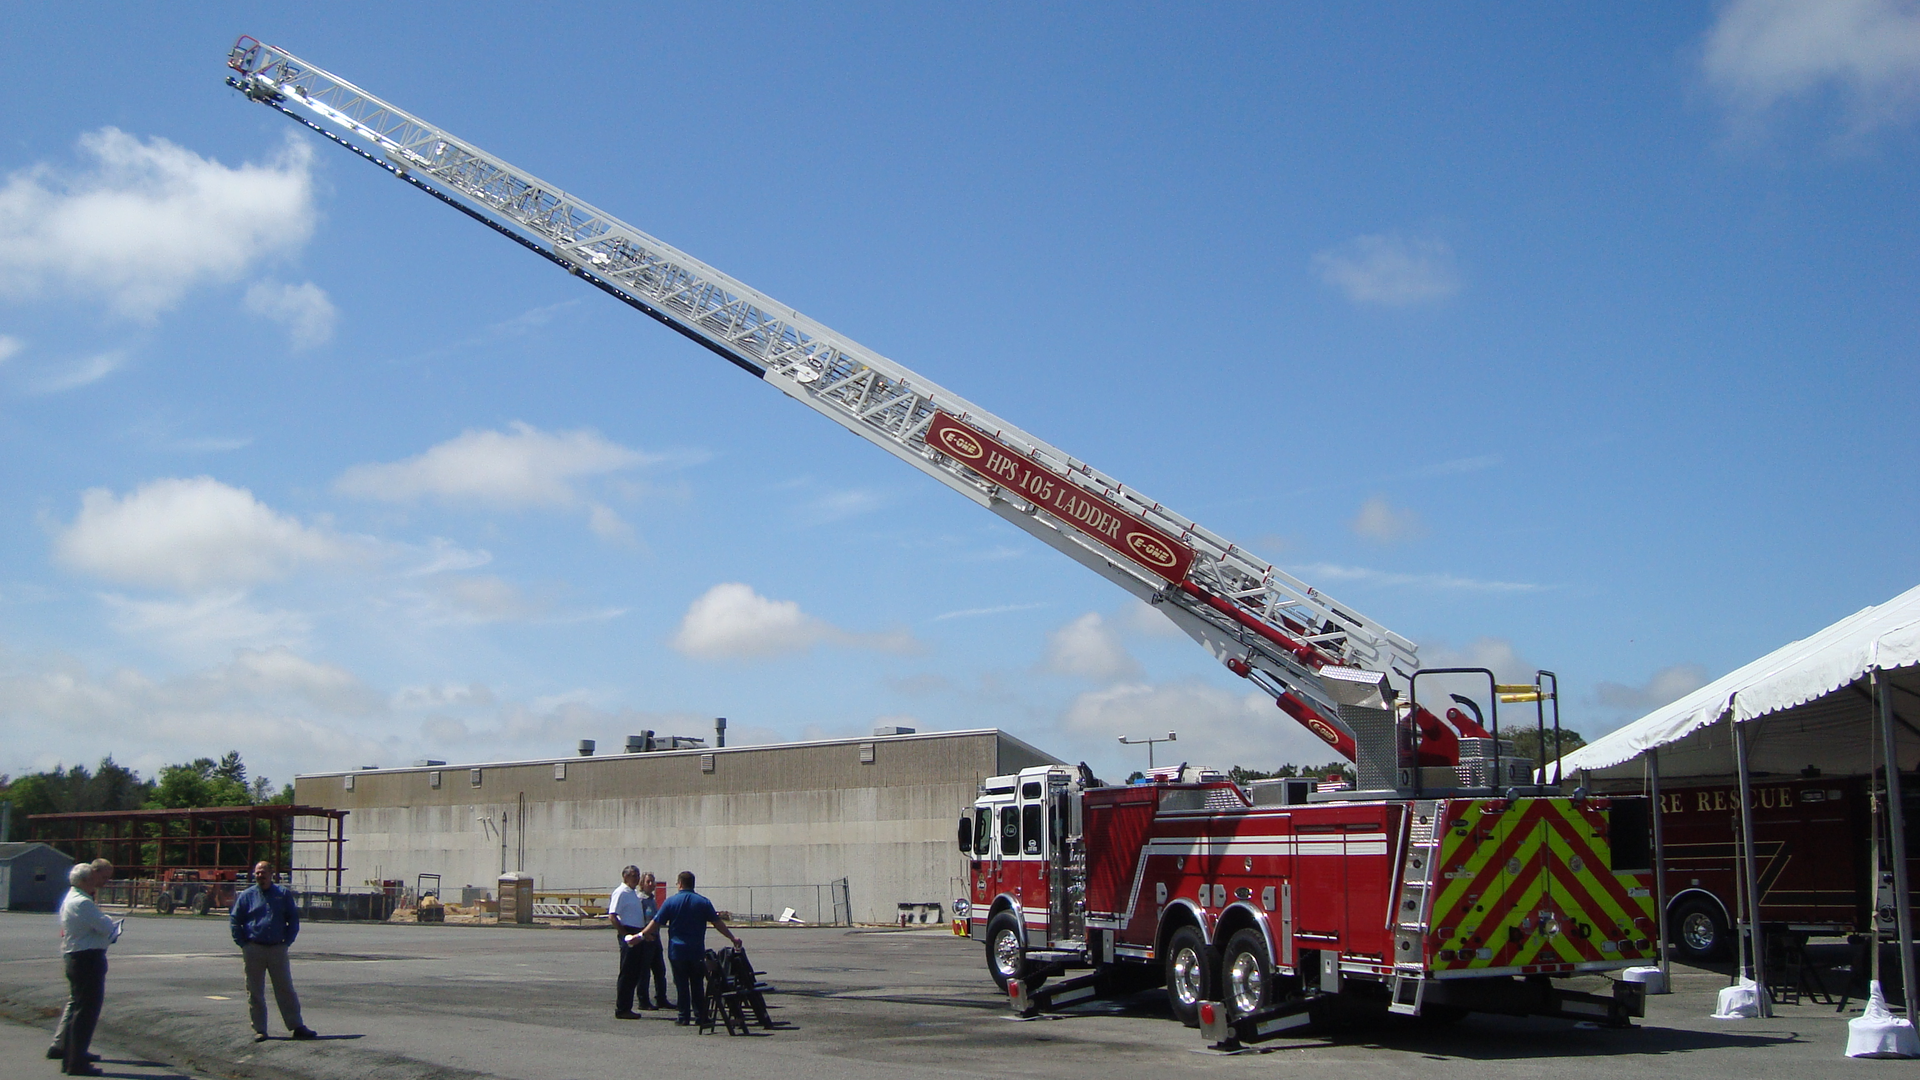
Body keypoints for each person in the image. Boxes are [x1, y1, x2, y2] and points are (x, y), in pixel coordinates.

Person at [637, 871, 739, 1028]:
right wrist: (732, 938)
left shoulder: (671, 902)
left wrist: (641, 935)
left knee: (681, 984)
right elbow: (717, 923)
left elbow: (656, 922)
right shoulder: (703, 902)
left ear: (679, 884)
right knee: (697, 984)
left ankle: (683, 1016)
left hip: (677, 950)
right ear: (693, 883)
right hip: (696, 949)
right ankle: (700, 1015)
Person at [229, 861, 316, 1042]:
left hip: (277, 948)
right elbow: (235, 920)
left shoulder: (282, 894)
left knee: (285, 988)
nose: (260, 876)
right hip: (254, 948)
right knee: (255, 990)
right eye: (257, 873)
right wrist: (243, 944)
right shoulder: (247, 896)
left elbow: (292, 919)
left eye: (263, 872)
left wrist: (287, 942)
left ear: (271, 874)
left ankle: (296, 1026)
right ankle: (260, 1029)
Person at [50, 860, 120, 1075]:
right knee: (86, 1012)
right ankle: (76, 1061)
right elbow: (105, 926)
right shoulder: (82, 902)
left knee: (79, 1009)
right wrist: (109, 922)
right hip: (86, 958)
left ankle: (72, 1055)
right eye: (94, 879)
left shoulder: (75, 899)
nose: (97, 884)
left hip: (79, 957)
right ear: (84, 881)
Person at [608, 865, 648, 1018]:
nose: (636, 878)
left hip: (637, 931)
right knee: (627, 971)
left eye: (637, 875)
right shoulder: (621, 892)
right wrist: (625, 935)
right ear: (625, 877)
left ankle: (628, 1006)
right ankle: (622, 1008)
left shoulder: (633, 893)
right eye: (633, 875)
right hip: (628, 932)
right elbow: (612, 915)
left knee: (634, 971)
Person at [634, 872, 669, 1010]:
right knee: (644, 972)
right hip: (645, 940)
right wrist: (644, 934)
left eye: (653, 881)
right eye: (648, 881)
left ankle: (661, 998)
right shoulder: (639, 900)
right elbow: (639, 920)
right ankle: (643, 1000)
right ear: (642, 884)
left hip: (655, 938)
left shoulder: (652, 900)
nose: (651, 884)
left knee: (660, 970)